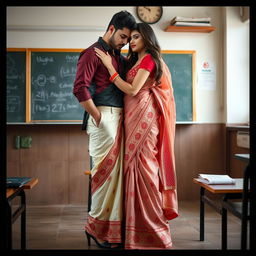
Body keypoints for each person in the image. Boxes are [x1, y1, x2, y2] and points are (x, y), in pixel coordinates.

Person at [94, 22, 178, 249]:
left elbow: (133, 89)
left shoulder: (150, 58)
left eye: (136, 37)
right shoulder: (135, 60)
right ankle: (130, 232)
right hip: (131, 118)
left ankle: (153, 231)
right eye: (130, 37)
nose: (131, 41)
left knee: (145, 170)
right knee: (131, 170)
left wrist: (111, 70)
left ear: (147, 38)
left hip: (145, 119)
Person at [73, 11, 136, 249]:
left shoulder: (117, 57)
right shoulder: (92, 53)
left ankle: (111, 232)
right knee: (102, 179)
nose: (124, 42)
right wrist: (99, 117)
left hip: (120, 120)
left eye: (128, 39)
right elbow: (79, 89)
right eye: (122, 36)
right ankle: (96, 230)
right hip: (104, 118)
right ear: (111, 29)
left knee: (116, 181)